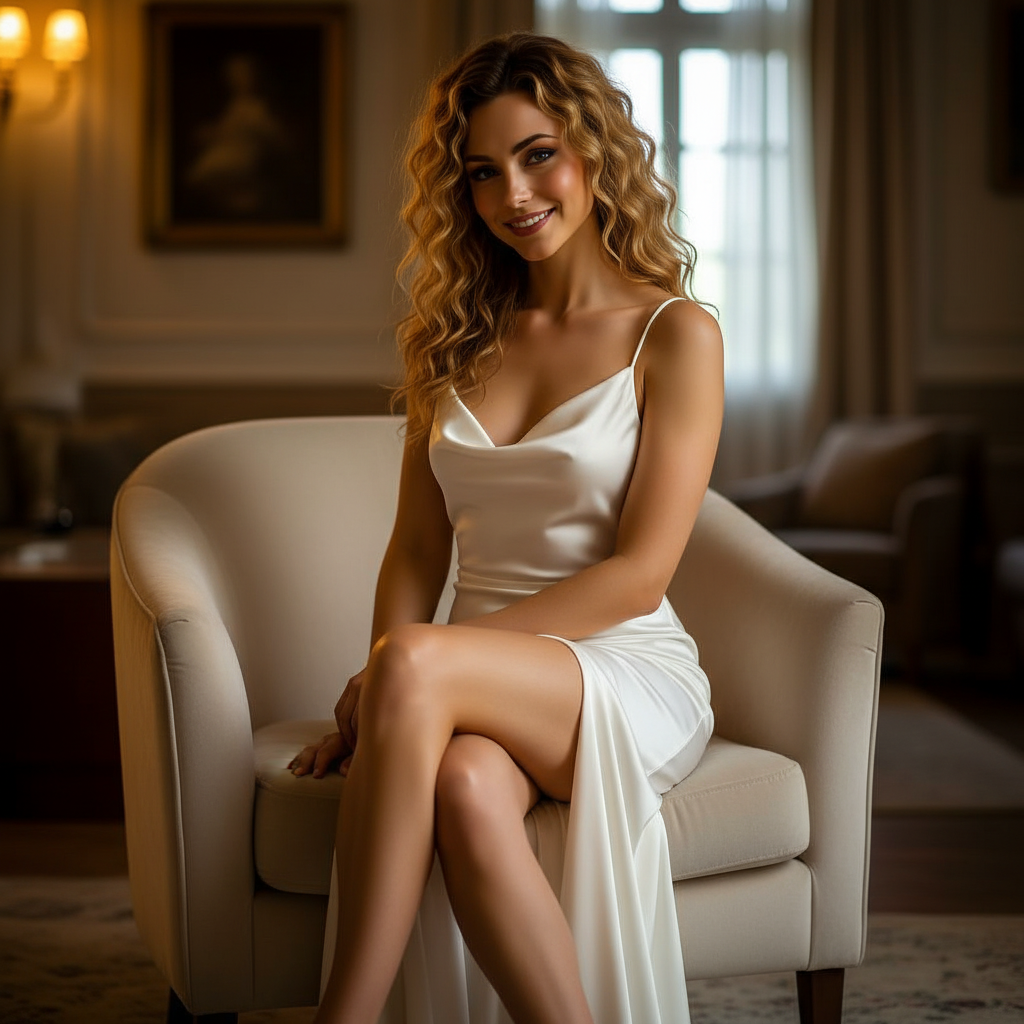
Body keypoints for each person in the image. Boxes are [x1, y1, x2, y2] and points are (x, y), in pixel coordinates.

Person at [288, 31, 724, 1024]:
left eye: (538, 155)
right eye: (483, 173)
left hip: (619, 664)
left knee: (412, 668)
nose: (514, 194)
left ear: (595, 152)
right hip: (466, 678)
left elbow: (639, 575)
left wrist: (404, 668)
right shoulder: (449, 338)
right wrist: (399, 680)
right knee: (469, 794)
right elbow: (415, 549)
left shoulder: (675, 334)